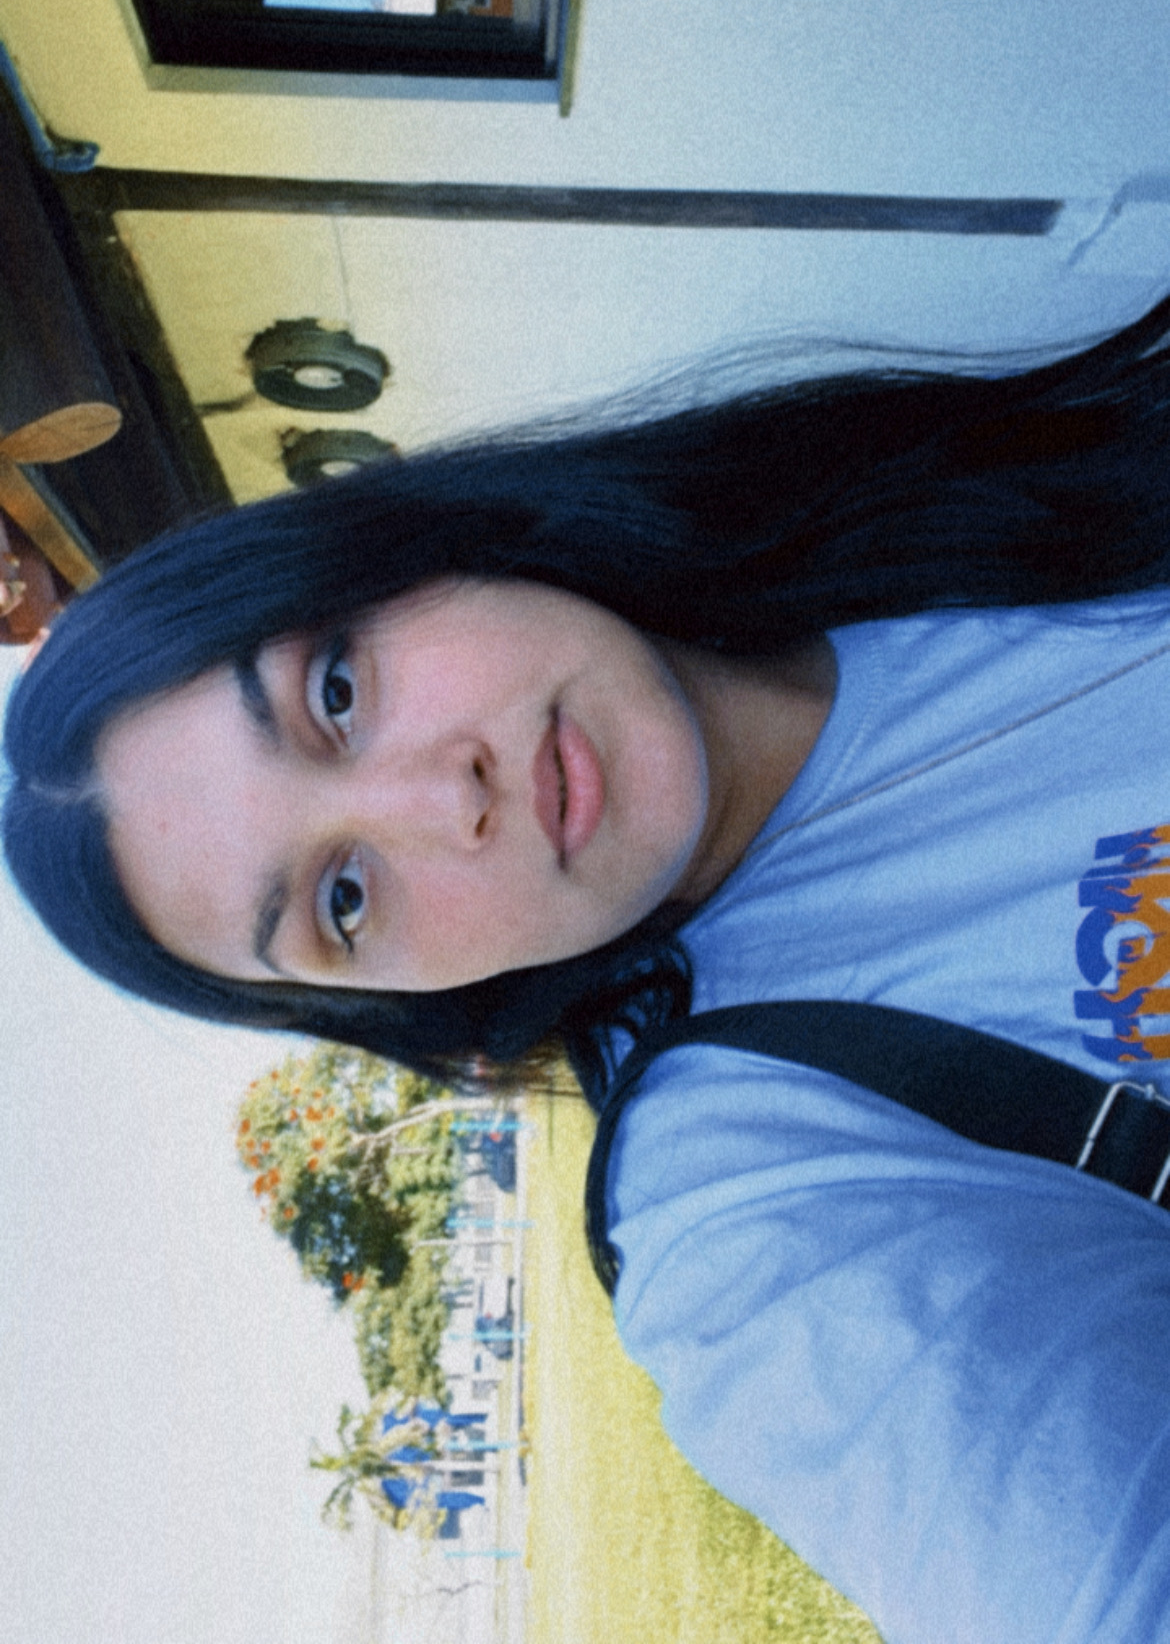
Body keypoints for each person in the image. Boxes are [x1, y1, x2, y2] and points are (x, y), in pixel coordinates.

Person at [8, 293, 1170, 1644]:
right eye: (344, 897)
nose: (445, 799)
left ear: (387, 554)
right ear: (395, 998)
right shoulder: (745, 1200)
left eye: (335, 693)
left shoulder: (924, 479)